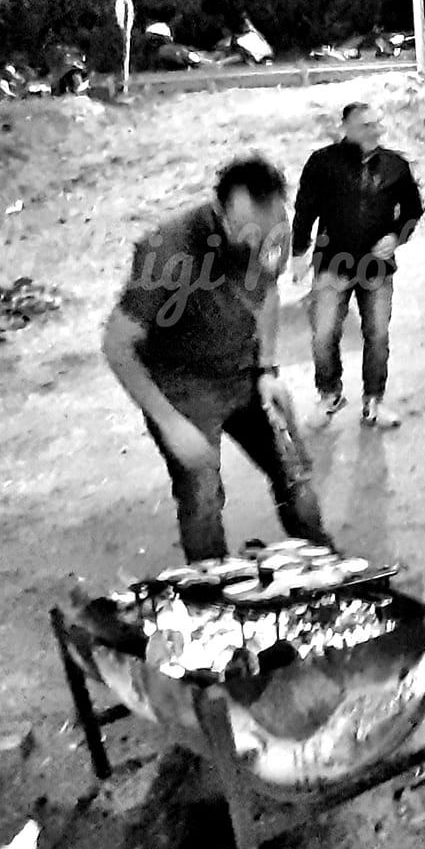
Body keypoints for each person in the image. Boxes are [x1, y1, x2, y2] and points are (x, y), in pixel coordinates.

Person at [105, 156, 331, 561]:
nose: (260, 242)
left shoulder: (273, 230)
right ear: (220, 213)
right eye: (248, 232)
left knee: (294, 473)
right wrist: (171, 423)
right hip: (181, 387)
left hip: (243, 373)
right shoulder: (166, 252)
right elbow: (116, 344)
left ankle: (331, 572)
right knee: (203, 500)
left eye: (269, 228)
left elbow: (268, 294)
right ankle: (210, 604)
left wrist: (267, 368)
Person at [291, 102, 425, 430]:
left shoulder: (395, 166)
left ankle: (374, 402)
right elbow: (304, 209)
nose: (375, 130)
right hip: (332, 263)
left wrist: (397, 237)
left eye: (377, 124)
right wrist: (298, 253)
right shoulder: (323, 163)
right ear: (347, 128)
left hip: (376, 269)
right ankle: (329, 395)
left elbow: (413, 210)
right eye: (366, 125)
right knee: (324, 334)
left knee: (377, 335)